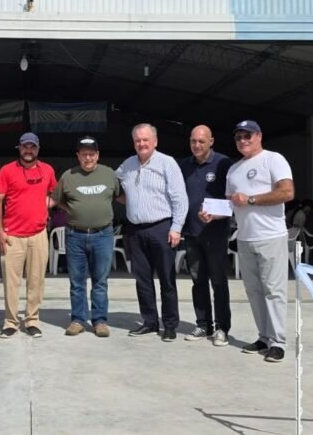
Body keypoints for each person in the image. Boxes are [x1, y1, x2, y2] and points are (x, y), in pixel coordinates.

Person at [202, 120, 294, 363]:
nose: (243, 140)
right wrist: (213, 214)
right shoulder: (234, 170)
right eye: (239, 137)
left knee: (274, 291)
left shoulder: (273, 159)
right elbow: (231, 205)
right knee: (254, 291)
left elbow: (287, 192)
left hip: (271, 236)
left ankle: (278, 342)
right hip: (244, 237)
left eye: (248, 136)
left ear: (259, 136)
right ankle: (264, 336)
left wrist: (251, 199)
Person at [116, 123, 188, 342]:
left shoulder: (167, 163)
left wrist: (176, 228)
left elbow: (179, 198)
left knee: (166, 278)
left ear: (155, 141)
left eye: (146, 139)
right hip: (135, 230)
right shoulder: (127, 165)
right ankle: (149, 321)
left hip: (161, 227)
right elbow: (111, 183)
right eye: (138, 140)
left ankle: (170, 324)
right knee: (142, 279)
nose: (141, 144)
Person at [52, 136, 121, 338]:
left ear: (97, 155)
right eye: (84, 154)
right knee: (77, 281)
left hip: (103, 235)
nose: (88, 158)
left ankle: (99, 321)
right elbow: (57, 200)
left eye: (91, 154)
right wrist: (72, 209)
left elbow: (119, 196)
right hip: (75, 235)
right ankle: (78, 320)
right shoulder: (68, 176)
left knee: (100, 280)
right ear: (78, 156)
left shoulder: (109, 174)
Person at [0, 132, 57, 338]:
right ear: (19, 148)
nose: (29, 150)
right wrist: (0, 230)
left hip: (38, 235)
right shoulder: (7, 171)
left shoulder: (47, 170)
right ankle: (10, 322)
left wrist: (44, 207)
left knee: (36, 280)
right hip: (12, 236)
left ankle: (32, 320)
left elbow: (54, 194)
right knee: (11, 282)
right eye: (25, 147)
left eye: (33, 147)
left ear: (38, 149)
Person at [179, 125, 232, 347]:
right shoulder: (184, 165)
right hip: (192, 233)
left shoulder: (223, 163)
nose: (197, 145)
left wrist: (217, 214)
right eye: (193, 141)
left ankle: (222, 328)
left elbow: (233, 198)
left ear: (211, 141)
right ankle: (203, 324)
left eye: (201, 141)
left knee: (218, 282)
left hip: (216, 234)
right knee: (197, 281)